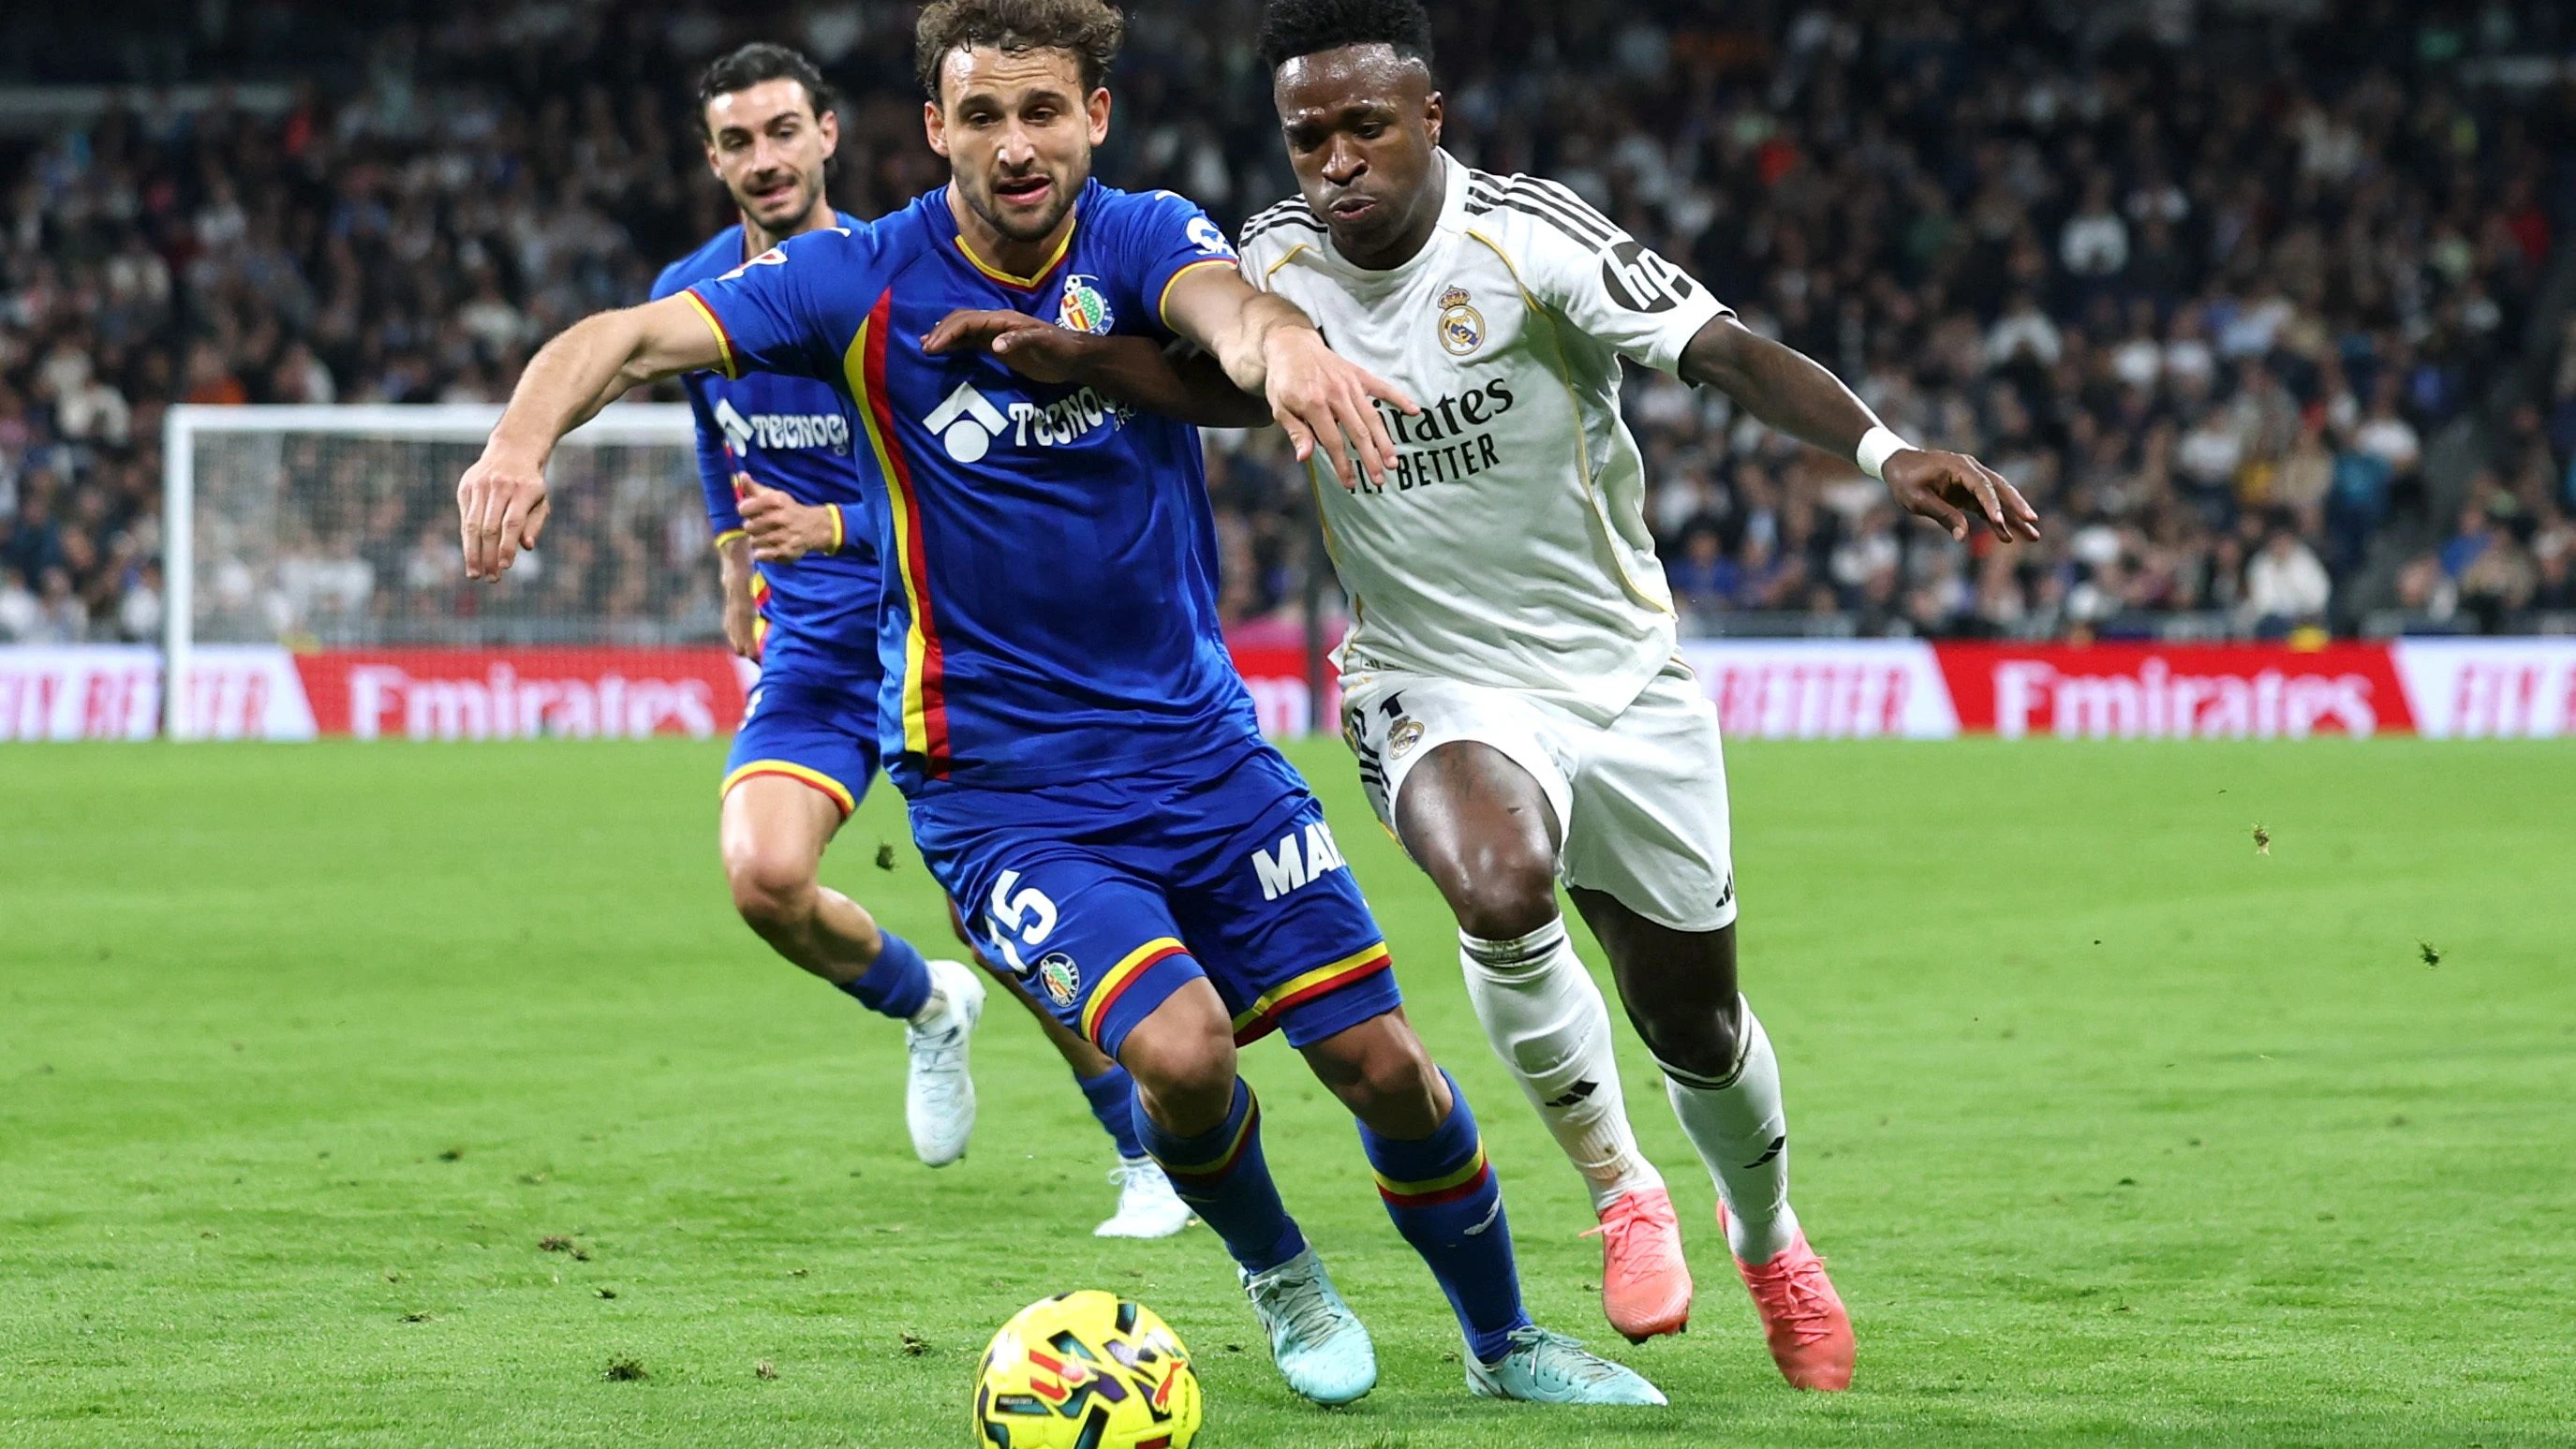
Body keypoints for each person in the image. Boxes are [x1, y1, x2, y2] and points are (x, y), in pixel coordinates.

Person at [456, 0, 1659, 1409]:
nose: (1014, 145)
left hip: (1203, 756)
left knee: (1382, 1063)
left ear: (1095, 114)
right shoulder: (859, 278)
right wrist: (517, 443)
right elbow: (620, 338)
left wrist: (1286, 351)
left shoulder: (1140, 236)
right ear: (934, 128)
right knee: (1181, 1049)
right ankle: (1279, 1267)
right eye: (982, 115)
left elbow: (1231, 312)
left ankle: (1505, 1341)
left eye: (1042, 111)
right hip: (1002, 791)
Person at [1233, 0, 2041, 1390]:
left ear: (1430, 118)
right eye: (1308, 137)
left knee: (1696, 1026)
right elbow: (1204, 374)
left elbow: (1721, 348)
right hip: (1428, 669)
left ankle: (1768, 1237)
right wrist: (1068, 363)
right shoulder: (1266, 261)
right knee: (1496, 885)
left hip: (1617, 674)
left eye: (1365, 126)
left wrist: (1882, 450)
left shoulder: (1526, 236)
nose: (1336, 161)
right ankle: (1622, 1189)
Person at [647, 41, 1187, 1238]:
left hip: (947, 639)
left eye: (782, 131)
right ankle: (925, 1008)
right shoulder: (695, 289)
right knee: (764, 878)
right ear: (712, 159)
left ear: (828, 136)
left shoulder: (888, 279)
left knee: (1006, 924)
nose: (764, 158)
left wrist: (833, 524)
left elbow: (966, 481)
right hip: (816, 646)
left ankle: (1141, 1152)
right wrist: (734, 559)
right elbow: (713, 432)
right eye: (737, 140)